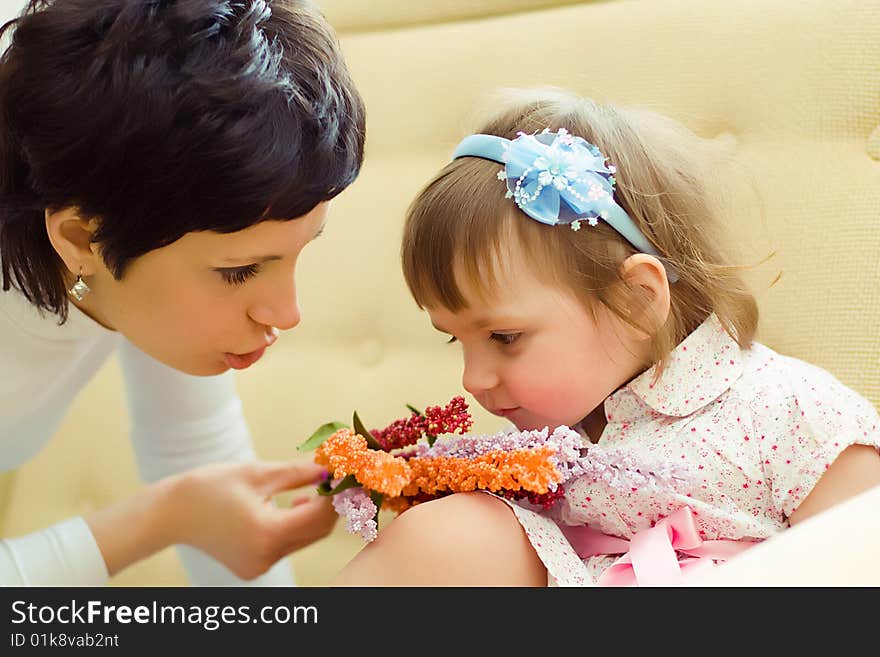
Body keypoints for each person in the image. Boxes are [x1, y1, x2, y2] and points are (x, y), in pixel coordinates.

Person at [331, 88, 880, 586]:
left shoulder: (792, 412)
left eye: (504, 336)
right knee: (453, 532)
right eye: (456, 340)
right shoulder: (543, 445)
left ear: (637, 301)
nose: (473, 381)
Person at [0, 0, 365, 585]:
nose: (287, 314)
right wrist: (163, 520)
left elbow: (195, 445)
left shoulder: (135, 214)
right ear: (79, 236)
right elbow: (191, 498)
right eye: (240, 271)